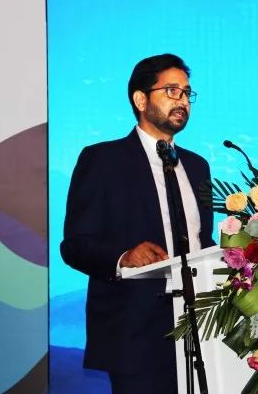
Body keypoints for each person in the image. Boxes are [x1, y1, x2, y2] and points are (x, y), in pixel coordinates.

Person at [60, 53, 215, 394]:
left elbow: (203, 243)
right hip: (135, 333)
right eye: (172, 91)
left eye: (187, 93)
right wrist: (123, 257)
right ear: (141, 99)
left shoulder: (197, 166)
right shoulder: (103, 160)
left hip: (201, 330)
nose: (183, 101)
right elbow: (75, 245)